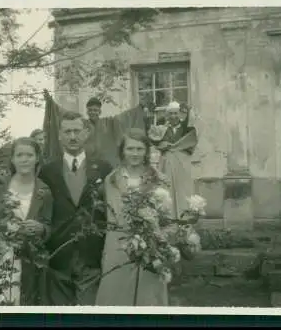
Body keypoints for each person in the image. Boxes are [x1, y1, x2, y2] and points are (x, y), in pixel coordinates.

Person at [39, 111, 113, 305]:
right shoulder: (47, 171)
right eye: (67, 131)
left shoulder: (104, 169)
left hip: (91, 254)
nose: (72, 136)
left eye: (77, 131)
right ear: (60, 135)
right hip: (58, 255)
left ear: (86, 133)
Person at [95, 128, 171, 306]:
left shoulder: (159, 179)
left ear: (146, 151)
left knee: (148, 295)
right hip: (118, 244)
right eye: (130, 149)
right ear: (122, 151)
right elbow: (110, 215)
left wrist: (158, 241)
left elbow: (166, 217)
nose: (135, 154)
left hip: (149, 245)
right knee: (116, 294)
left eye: (139, 149)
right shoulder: (111, 180)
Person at [0, 137, 53, 305]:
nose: (24, 159)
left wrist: (41, 229)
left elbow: (49, 227)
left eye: (29, 155)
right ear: (12, 159)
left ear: (37, 158)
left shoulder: (44, 191)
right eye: (19, 155)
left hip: (29, 262)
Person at [43, 89, 149, 167]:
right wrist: (51, 103)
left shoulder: (109, 122)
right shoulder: (81, 123)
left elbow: (126, 117)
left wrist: (140, 107)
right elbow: (63, 113)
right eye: (90, 110)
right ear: (87, 111)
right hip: (86, 164)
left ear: (100, 111)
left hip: (106, 164)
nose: (93, 112)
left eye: (95, 110)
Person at [151, 101, 198, 218]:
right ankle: (168, 217)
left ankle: (184, 218)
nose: (173, 116)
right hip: (166, 164)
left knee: (183, 189)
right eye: (171, 113)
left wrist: (187, 109)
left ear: (180, 115)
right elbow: (153, 138)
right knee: (166, 189)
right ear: (167, 115)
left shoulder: (186, 129)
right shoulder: (162, 129)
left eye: (176, 113)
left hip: (182, 163)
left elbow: (192, 132)